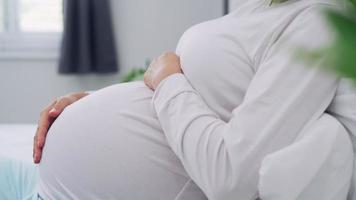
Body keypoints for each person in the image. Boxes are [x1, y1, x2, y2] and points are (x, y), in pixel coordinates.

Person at [1, 0, 355, 199]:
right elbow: (198, 95)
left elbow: (232, 176)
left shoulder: (318, 21)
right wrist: (93, 101)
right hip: (34, 183)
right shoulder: (260, 9)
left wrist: (168, 82)